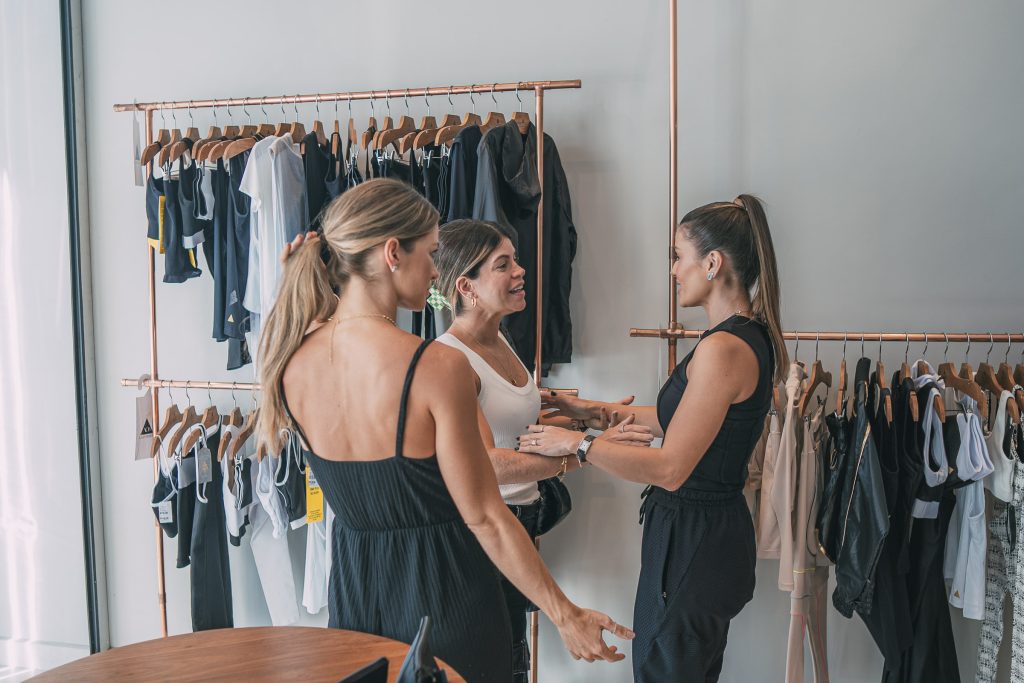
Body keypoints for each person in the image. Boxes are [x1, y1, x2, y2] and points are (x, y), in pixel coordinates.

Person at [258, 179, 633, 683]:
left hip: (354, 596)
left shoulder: (288, 360)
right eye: (432, 253)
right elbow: (486, 517)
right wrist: (566, 613)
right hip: (446, 598)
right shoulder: (436, 367)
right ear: (393, 252)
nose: (437, 270)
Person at [518, 195, 788, 682]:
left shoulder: (723, 349)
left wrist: (576, 446)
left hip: (693, 544)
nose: (673, 271)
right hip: (707, 537)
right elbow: (678, 419)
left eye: (678, 257)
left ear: (712, 263)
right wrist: (591, 412)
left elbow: (671, 467)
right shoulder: (747, 336)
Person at [433, 218, 654, 681]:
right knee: (501, 662)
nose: (520, 272)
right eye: (503, 265)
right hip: (480, 536)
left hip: (521, 522)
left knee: (513, 653)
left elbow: (514, 429)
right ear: (465, 286)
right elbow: (487, 463)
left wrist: (584, 418)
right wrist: (583, 451)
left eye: (516, 261)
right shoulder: (453, 359)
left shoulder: (501, 340)